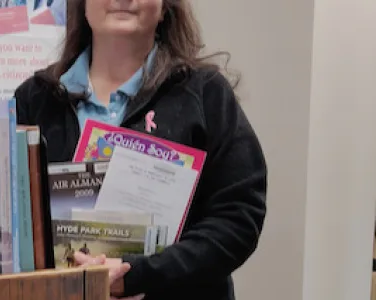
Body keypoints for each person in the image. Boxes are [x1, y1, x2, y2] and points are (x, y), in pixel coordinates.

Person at [14, 0, 267, 300]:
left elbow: (238, 216)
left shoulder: (205, 94)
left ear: (164, 8)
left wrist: (138, 275)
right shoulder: (35, 100)